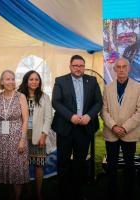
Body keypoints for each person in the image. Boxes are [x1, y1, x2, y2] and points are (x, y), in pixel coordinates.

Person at [51, 55, 102, 200]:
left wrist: (89, 116)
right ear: (70, 66)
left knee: (80, 162)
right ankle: (63, 192)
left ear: (84, 67)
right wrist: (70, 116)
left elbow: (98, 102)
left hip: (84, 128)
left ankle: (77, 192)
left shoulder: (91, 81)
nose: (78, 68)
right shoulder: (60, 80)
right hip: (65, 127)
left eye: (81, 65)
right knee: (63, 161)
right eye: (75, 65)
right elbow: (56, 102)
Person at [101, 57, 140, 200]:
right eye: (119, 67)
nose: (122, 69)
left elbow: (139, 111)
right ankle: (111, 192)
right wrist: (113, 126)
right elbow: (103, 110)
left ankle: (129, 192)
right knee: (111, 165)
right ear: (115, 69)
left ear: (129, 69)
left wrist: (124, 128)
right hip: (111, 133)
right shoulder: (107, 87)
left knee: (129, 165)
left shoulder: (138, 87)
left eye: (124, 67)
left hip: (129, 133)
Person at [0, 70, 29, 200]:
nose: (10, 82)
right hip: (2, 138)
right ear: (2, 82)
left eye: (12, 79)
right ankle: (10, 195)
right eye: (7, 79)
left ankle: (17, 197)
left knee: (17, 170)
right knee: (6, 169)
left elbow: (25, 120)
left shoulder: (21, 96)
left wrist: (22, 141)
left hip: (17, 138)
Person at [18, 70, 53, 200]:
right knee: (23, 165)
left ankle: (38, 193)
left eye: (37, 79)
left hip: (39, 135)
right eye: (31, 79)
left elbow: (48, 118)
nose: (34, 82)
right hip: (22, 136)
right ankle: (25, 192)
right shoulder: (19, 96)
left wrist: (44, 135)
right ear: (26, 81)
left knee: (39, 165)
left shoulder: (44, 97)